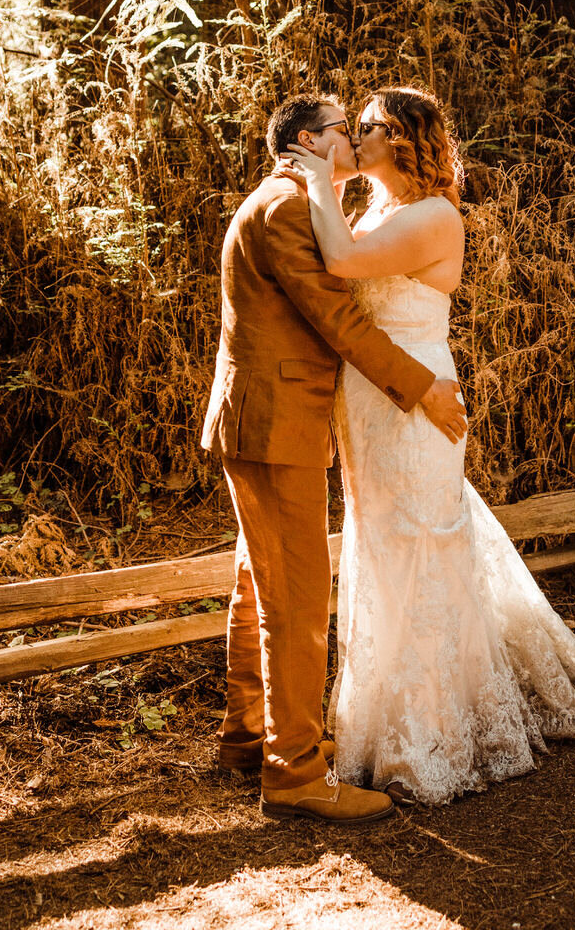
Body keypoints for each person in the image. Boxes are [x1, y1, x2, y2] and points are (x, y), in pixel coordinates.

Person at [283, 85, 575, 806]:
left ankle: (438, 729)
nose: (350, 139)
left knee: (422, 543)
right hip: (368, 400)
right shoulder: (381, 207)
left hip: (418, 397)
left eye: (362, 128)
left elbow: (339, 262)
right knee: (382, 541)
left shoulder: (429, 216)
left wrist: (312, 180)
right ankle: (383, 715)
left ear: (398, 137)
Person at [200, 92, 467, 826]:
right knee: (296, 608)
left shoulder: (290, 199)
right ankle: (295, 777)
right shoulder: (286, 207)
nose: (356, 139)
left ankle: (250, 737)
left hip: (265, 421)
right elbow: (338, 316)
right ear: (313, 142)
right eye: (346, 129)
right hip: (274, 424)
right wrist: (422, 390)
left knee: (261, 588)